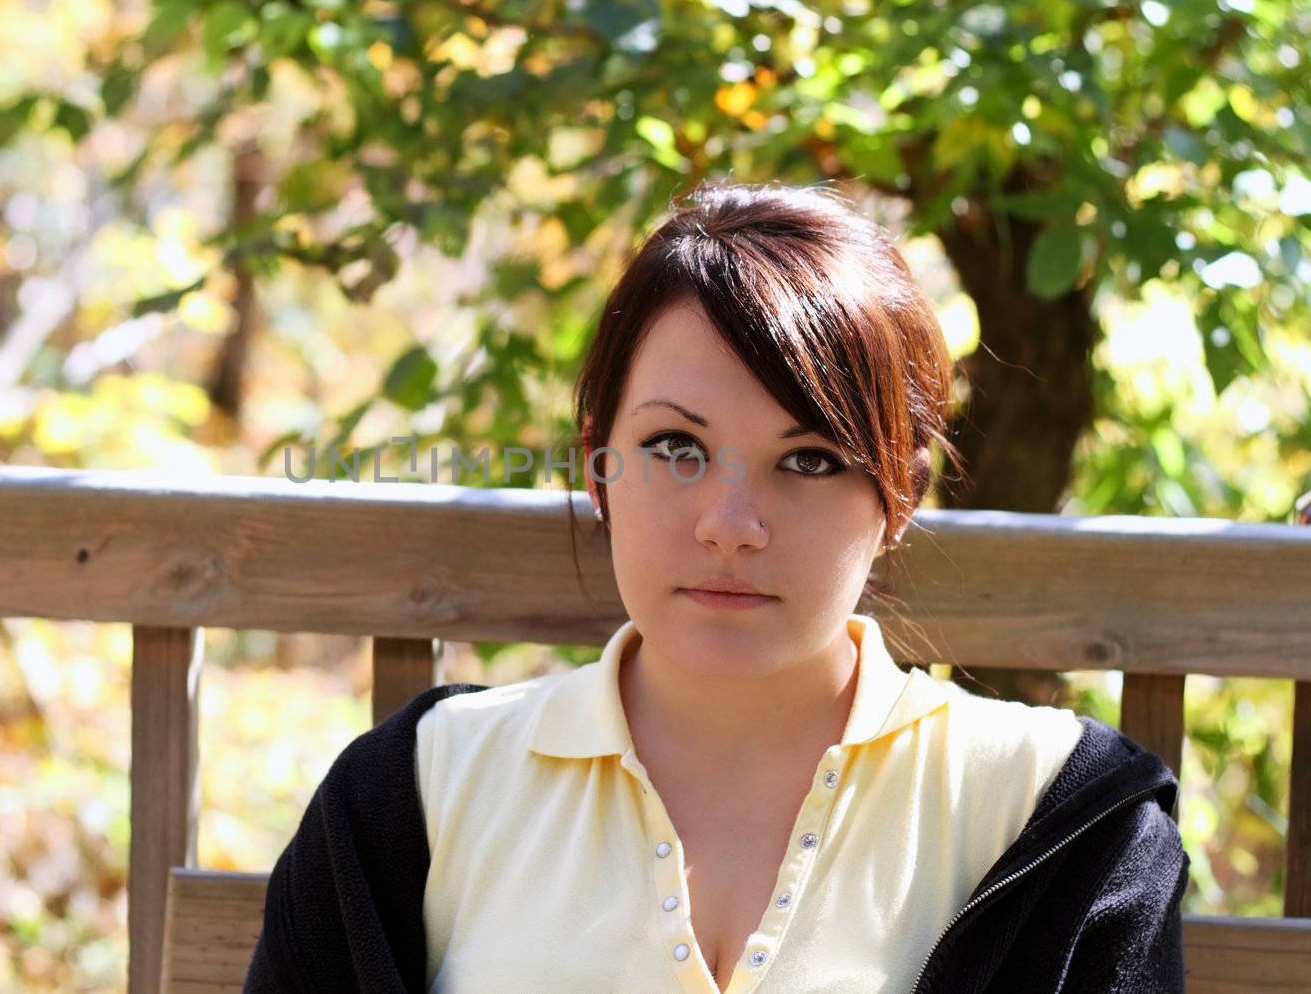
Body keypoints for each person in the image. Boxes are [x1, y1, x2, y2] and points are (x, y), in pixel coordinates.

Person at [244, 180, 1189, 993]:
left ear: (898, 492)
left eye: (811, 459)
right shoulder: (420, 792)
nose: (730, 523)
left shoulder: (1052, 815)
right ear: (598, 469)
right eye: (676, 447)